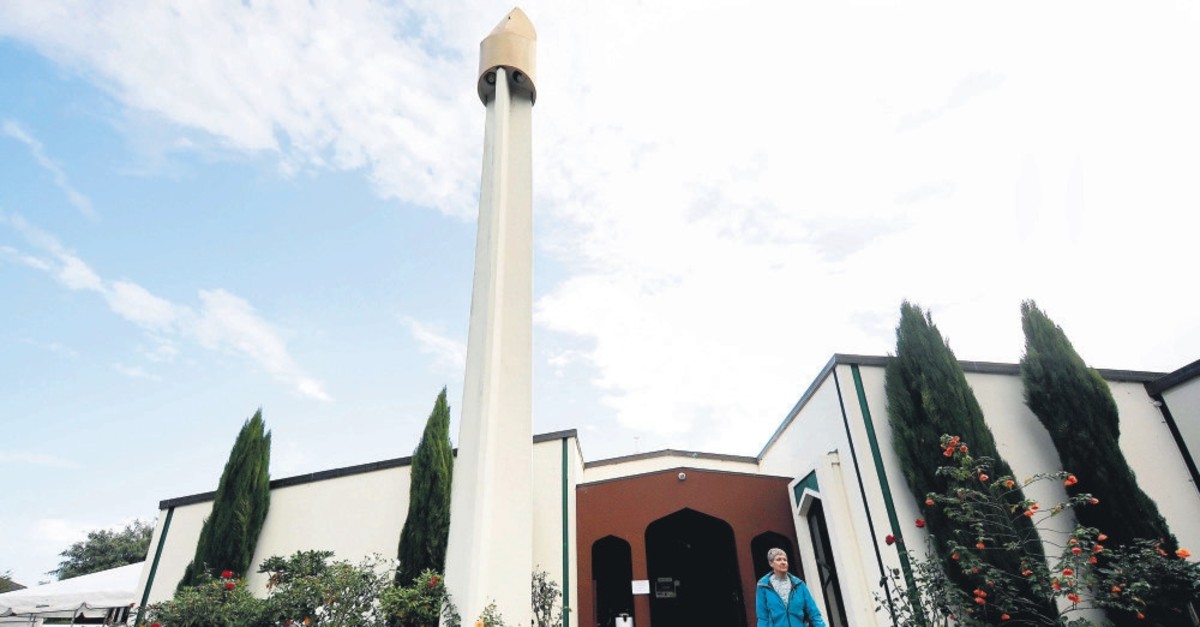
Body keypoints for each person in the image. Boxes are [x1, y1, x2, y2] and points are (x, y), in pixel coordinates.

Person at [755, 548, 827, 627]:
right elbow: (762, 618)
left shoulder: (799, 584)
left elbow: (814, 613)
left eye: (785, 560)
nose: (783, 562)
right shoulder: (763, 586)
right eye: (778, 559)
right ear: (771, 563)